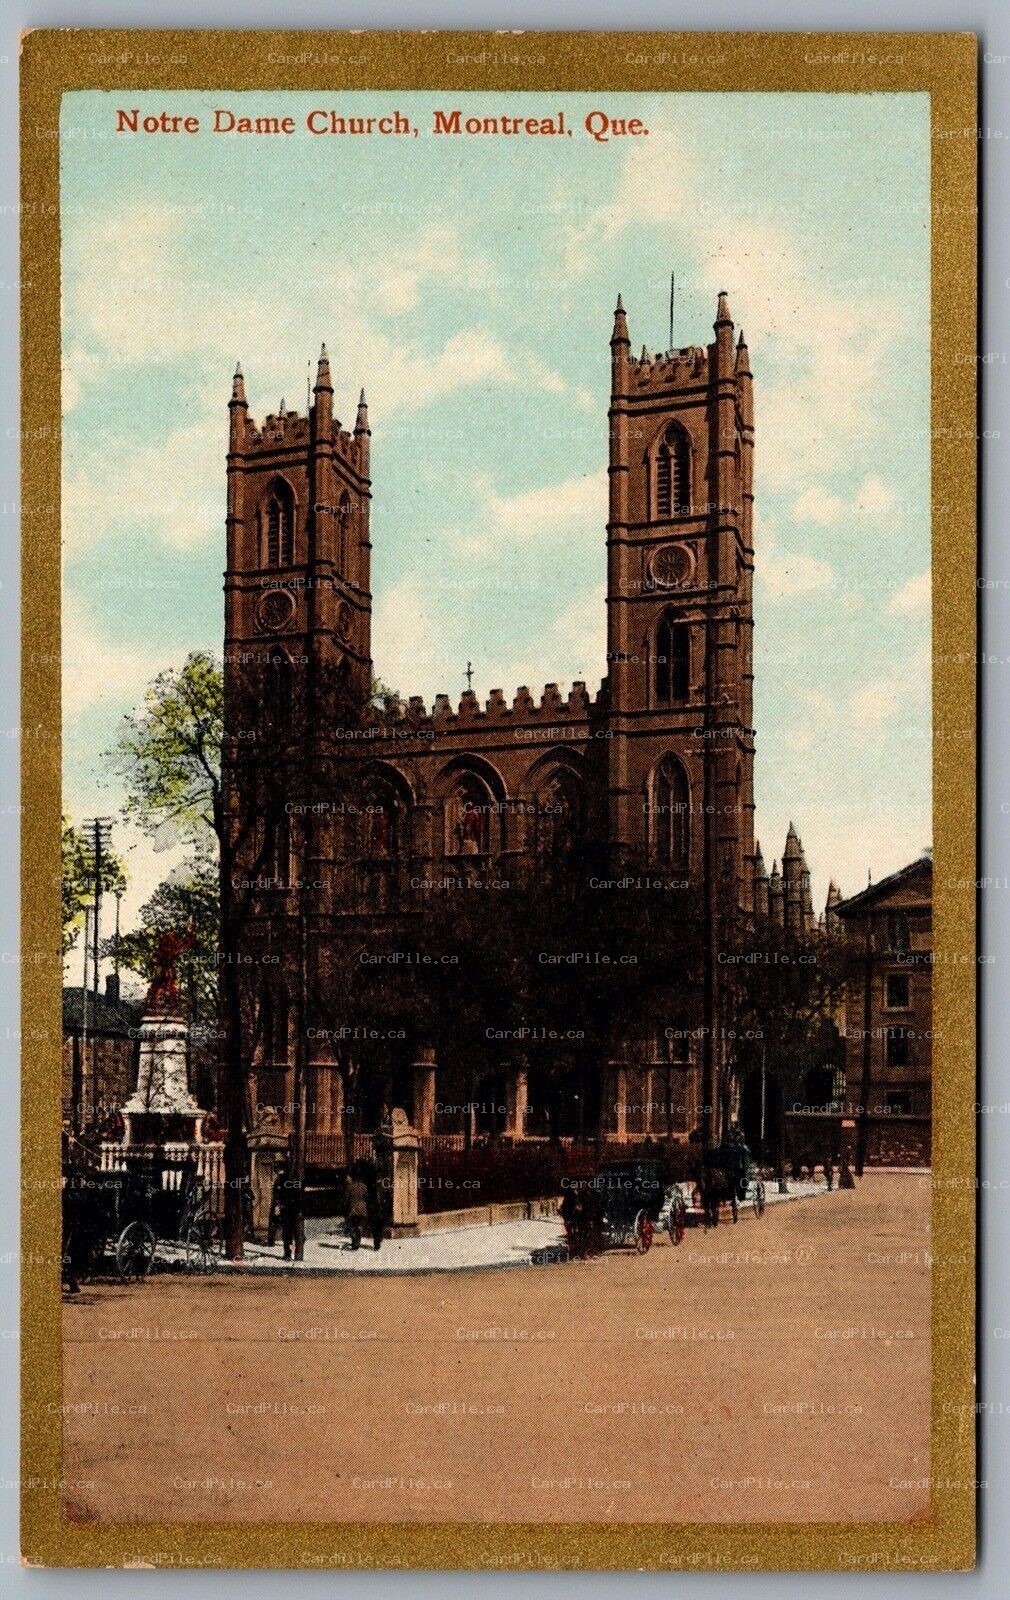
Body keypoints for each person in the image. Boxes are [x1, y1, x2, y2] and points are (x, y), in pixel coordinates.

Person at [345, 1169, 370, 1251]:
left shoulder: (349, 1187)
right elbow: (367, 1197)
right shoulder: (364, 1186)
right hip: (362, 1209)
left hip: (352, 1210)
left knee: (352, 1227)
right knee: (358, 1226)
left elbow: (346, 1200)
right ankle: (357, 1243)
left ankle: (355, 1244)